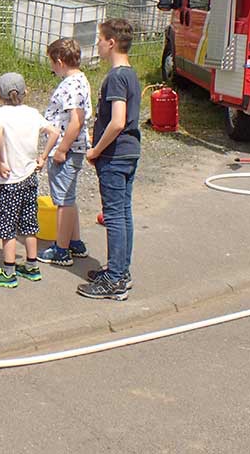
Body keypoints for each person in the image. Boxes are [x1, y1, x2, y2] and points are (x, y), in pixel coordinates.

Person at [79, 18, 141, 301]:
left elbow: (117, 121)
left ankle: (115, 280)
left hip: (115, 154)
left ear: (112, 42)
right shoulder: (130, 74)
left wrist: (96, 150)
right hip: (129, 151)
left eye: (101, 40)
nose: (98, 45)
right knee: (123, 214)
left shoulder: (116, 76)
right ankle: (119, 270)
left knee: (114, 217)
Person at [0, 72, 59, 289]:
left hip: (10, 179)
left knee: (8, 225)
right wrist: (42, 157)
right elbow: (54, 131)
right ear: (26, 92)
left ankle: (8, 270)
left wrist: (1, 161)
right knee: (29, 222)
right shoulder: (33, 113)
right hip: (30, 176)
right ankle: (32, 266)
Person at [37, 38, 92, 267]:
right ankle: (75, 241)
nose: (51, 67)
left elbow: (76, 121)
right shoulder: (80, 79)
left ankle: (61, 249)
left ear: (59, 61)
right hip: (72, 147)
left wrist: (61, 149)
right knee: (68, 197)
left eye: (51, 62)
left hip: (66, 149)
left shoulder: (71, 84)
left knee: (63, 201)